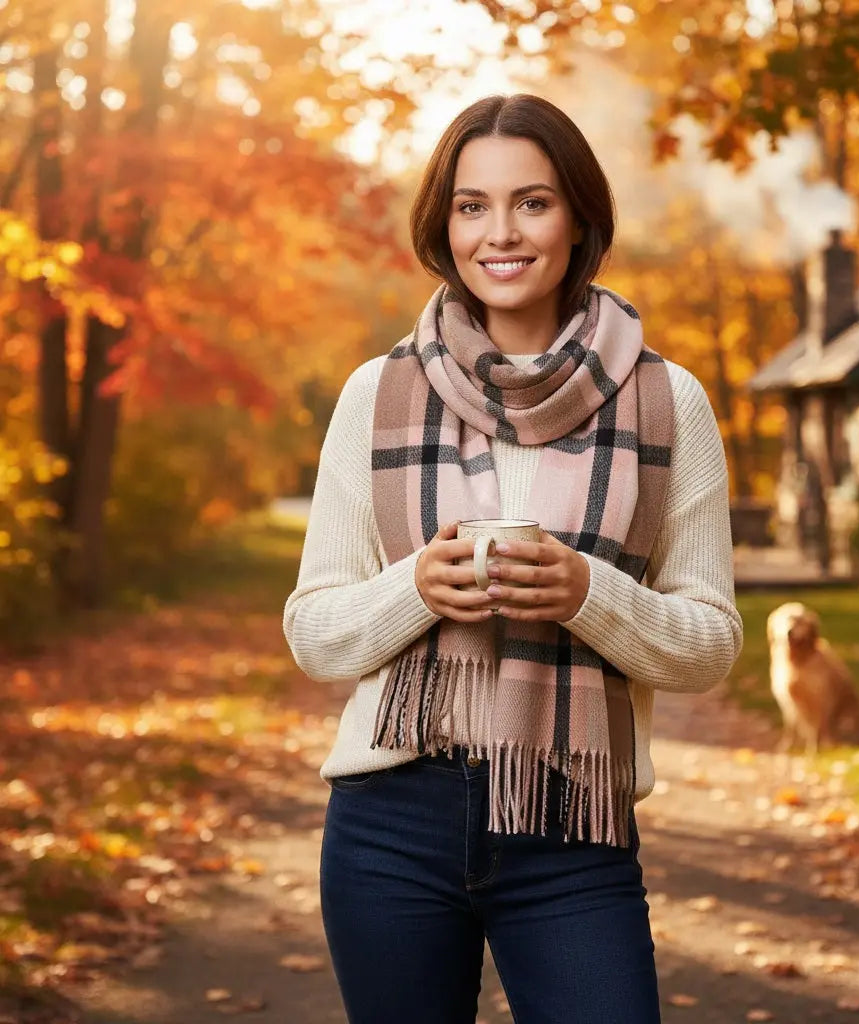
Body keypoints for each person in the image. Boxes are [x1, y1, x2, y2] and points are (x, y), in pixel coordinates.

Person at [283, 93, 743, 1024]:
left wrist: (590, 594)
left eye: (532, 202)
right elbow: (315, 634)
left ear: (579, 219)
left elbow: (711, 645)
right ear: (443, 224)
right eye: (471, 205)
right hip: (390, 822)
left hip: (572, 824)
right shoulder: (377, 395)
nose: (501, 232)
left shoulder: (667, 401)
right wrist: (414, 591)